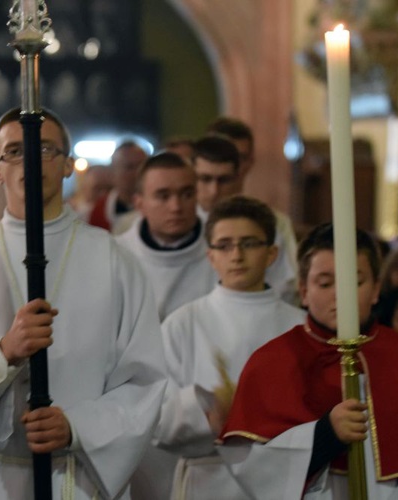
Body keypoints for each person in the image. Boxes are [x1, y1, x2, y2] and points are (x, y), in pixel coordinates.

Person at [0, 108, 167, 499]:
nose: (30, 161)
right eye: (14, 151)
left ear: (68, 165)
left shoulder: (114, 261)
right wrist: (3, 354)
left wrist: (77, 427)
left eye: (45, 149)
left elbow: (146, 381)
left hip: (77, 475)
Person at [218, 224, 398, 499]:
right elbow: (251, 467)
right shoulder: (274, 362)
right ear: (303, 291)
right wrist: (324, 435)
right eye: (325, 283)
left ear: (375, 290)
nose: (341, 295)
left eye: (355, 282)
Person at [144, 196, 305, 500]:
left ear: (272, 253)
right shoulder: (183, 324)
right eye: (225, 245)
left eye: (249, 243)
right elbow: (155, 422)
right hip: (207, 479)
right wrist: (207, 412)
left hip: (283, 481)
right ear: (210, 256)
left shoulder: (299, 327)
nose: (237, 255)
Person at [207, 116, 300, 305]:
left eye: (239, 158)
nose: (232, 164)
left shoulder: (275, 222)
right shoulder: (178, 222)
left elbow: (288, 287)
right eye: (222, 155)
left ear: (250, 162)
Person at [116, 152, 216, 320]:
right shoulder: (116, 255)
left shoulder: (221, 249)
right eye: (163, 196)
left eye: (186, 194)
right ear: (139, 203)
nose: (176, 207)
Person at [87, 141, 148, 231]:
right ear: (113, 173)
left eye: (142, 166)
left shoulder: (159, 204)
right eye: (130, 167)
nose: (138, 173)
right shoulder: (99, 211)